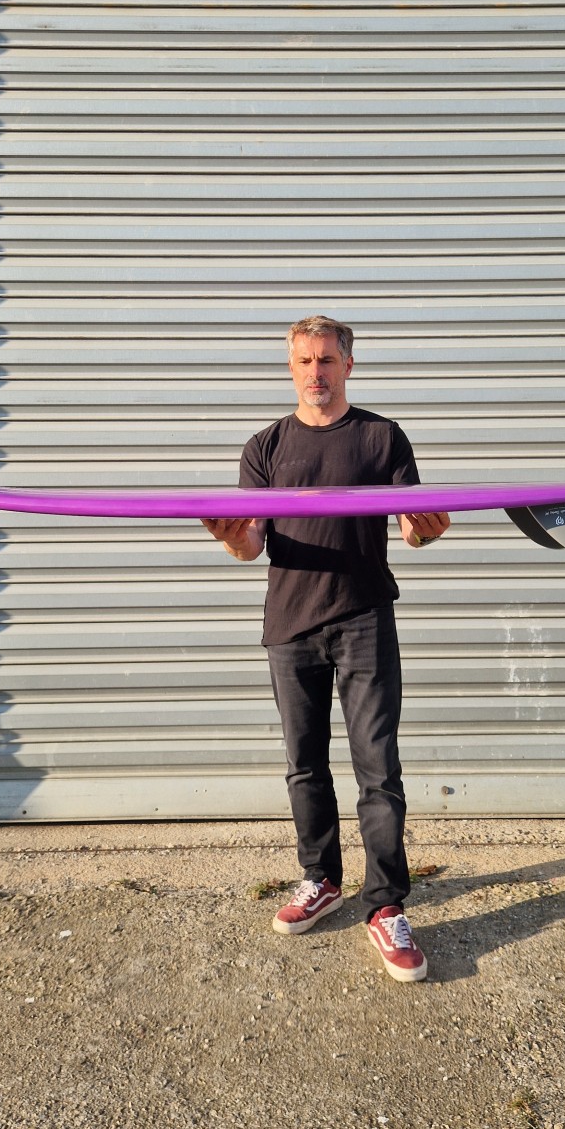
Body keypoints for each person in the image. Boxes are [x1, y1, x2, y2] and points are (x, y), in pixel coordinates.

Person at [201, 315, 451, 983]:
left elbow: (412, 532)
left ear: (348, 365)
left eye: (327, 360)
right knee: (304, 766)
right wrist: (228, 535)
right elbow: (250, 544)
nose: (316, 372)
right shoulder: (265, 446)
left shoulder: (381, 437)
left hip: (365, 616)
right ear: (291, 367)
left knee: (378, 768)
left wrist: (428, 530)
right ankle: (321, 880)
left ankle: (386, 904)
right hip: (291, 622)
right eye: (305, 361)